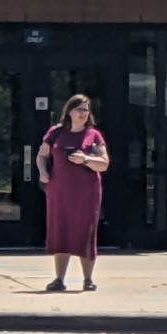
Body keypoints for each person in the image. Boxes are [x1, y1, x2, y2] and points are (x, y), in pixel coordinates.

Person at [36, 94, 110, 292]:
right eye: (79, 109)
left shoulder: (94, 135)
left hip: (87, 192)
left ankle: (88, 279)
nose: (83, 114)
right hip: (59, 191)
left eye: (86, 110)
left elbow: (104, 164)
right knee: (61, 231)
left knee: (86, 231)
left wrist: (85, 159)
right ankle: (59, 279)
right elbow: (42, 155)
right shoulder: (55, 133)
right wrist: (43, 172)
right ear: (69, 111)